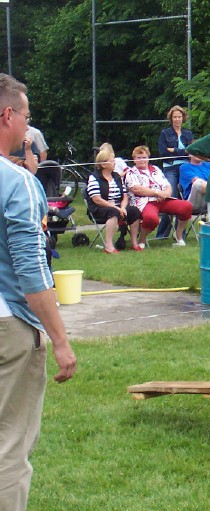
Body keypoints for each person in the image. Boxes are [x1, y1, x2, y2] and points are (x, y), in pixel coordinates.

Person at [0, 72, 77, 511]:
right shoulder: (18, 182)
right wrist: (61, 341)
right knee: (9, 447)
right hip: (8, 325)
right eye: (26, 116)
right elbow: (31, 271)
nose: (29, 126)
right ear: (7, 115)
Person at [124, 145, 192, 248]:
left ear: (148, 158)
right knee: (151, 218)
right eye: (139, 157)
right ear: (134, 159)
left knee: (186, 206)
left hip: (163, 200)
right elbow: (136, 189)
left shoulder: (155, 169)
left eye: (144, 157)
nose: (142, 160)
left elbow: (167, 185)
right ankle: (142, 240)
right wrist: (157, 193)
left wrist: (166, 193)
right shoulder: (130, 172)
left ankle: (178, 235)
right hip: (145, 202)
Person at [86, 148, 143, 252]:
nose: (115, 163)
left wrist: (123, 207)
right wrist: (117, 208)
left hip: (118, 207)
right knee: (113, 212)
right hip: (100, 208)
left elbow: (124, 195)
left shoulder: (116, 176)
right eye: (112, 161)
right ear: (103, 164)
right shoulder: (94, 177)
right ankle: (109, 246)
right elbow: (97, 199)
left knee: (134, 211)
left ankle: (134, 243)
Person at [156, 106, 194, 239]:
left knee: (183, 200)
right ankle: (162, 234)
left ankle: (180, 234)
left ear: (183, 118)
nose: (177, 119)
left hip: (186, 168)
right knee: (170, 199)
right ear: (171, 119)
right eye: (175, 117)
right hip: (170, 168)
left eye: (179, 117)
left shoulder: (188, 134)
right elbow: (163, 153)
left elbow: (192, 151)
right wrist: (182, 152)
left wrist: (175, 150)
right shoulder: (165, 133)